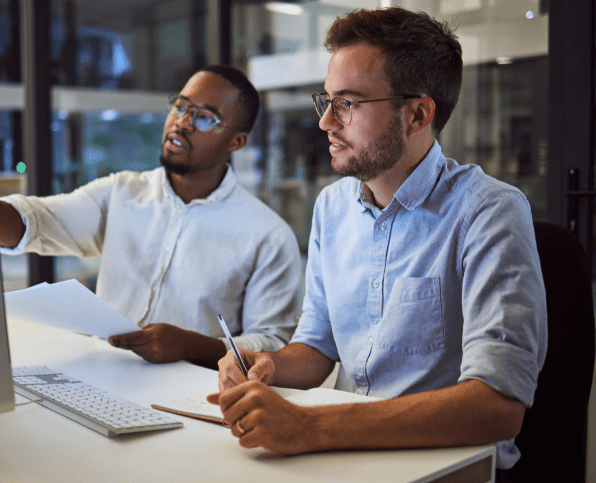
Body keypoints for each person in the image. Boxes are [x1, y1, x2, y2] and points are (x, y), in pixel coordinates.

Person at [208, 7, 547, 476]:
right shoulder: (331, 207)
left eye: (347, 103)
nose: (326, 122)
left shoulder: (488, 211)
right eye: (325, 100)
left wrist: (312, 427)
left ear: (417, 114)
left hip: (443, 467)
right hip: (346, 455)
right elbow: (317, 347)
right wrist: (266, 363)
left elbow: (496, 407)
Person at [0, 65, 302, 370]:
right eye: (181, 106)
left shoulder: (268, 234)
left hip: (190, 393)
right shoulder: (121, 192)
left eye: (204, 118)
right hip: (102, 372)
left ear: (236, 142)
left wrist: (191, 347)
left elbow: (272, 343)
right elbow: (35, 222)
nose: (182, 123)